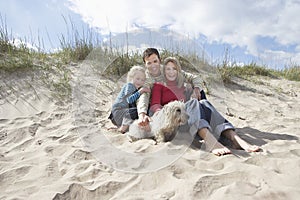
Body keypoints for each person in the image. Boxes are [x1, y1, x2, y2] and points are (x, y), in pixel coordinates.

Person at [150, 56, 261, 156]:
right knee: (194, 103)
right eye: (168, 69)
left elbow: (197, 79)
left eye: (174, 69)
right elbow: (155, 106)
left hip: (189, 120)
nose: (171, 72)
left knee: (204, 103)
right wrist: (166, 111)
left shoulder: (184, 85)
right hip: (173, 123)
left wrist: (195, 89)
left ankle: (234, 137)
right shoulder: (159, 85)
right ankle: (210, 141)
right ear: (164, 71)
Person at [137, 47, 207, 126]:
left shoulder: (168, 69)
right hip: (158, 104)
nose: (153, 65)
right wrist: (142, 114)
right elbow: (144, 96)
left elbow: (194, 78)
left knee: (200, 92)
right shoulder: (146, 79)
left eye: (155, 61)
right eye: (149, 63)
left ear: (160, 60)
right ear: (145, 64)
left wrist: (196, 89)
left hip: (176, 99)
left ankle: (204, 119)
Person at [108, 65, 151, 133]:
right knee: (136, 112)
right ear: (131, 77)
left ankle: (121, 126)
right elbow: (129, 100)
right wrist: (141, 91)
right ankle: (122, 128)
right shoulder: (129, 86)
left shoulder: (136, 89)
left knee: (141, 112)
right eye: (137, 78)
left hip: (123, 114)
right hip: (117, 112)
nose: (139, 82)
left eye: (142, 80)